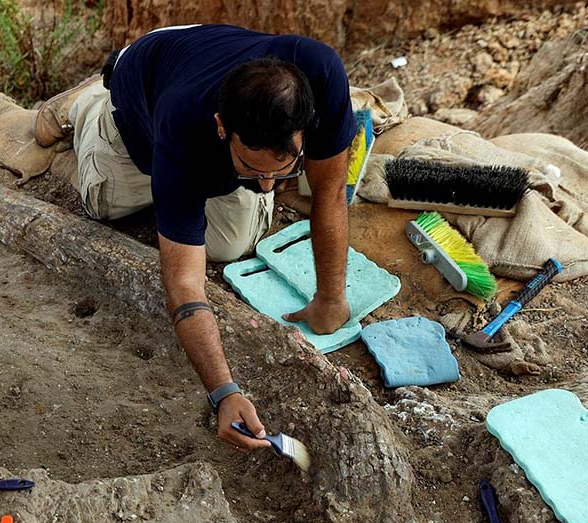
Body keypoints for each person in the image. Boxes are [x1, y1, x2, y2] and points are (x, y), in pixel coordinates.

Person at [34, 24, 355, 453]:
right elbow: (184, 285)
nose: (265, 187)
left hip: (200, 59)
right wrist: (224, 391)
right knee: (103, 206)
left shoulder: (322, 75)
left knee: (230, 245)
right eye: (252, 167)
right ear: (223, 127)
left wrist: (331, 300)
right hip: (143, 93)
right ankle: (86, 102)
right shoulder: (182, 122)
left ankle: (216, 173)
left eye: (281, 170)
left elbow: (331, 191)